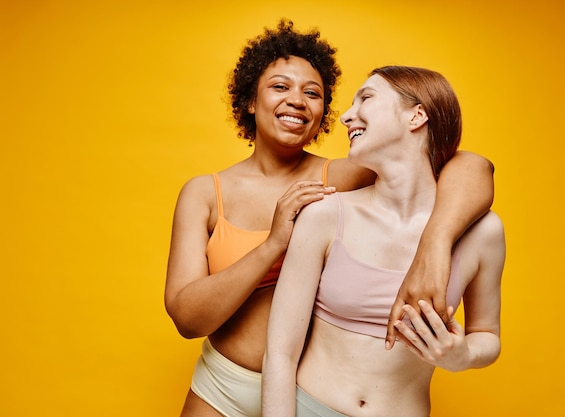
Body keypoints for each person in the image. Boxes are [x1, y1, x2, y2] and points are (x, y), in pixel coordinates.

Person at [165, 19, 495, 417]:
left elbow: (473, 167)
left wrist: (436, 243)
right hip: (224, 387)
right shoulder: (203, 193)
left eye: (313, 93)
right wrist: (273, 244)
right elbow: (186, 319)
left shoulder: (343, 178)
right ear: (250, 101)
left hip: (307, 396)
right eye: (280, 87)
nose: (298, 101)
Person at [262, 65, 505, 417]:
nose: (346, 116)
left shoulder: (482, 233)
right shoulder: (325, 216)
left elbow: (488, 334)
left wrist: (462, 354)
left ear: (417, 115)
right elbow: (280, 354)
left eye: (366, 98)